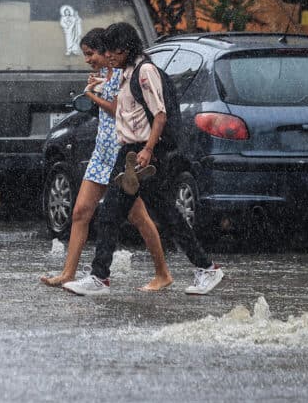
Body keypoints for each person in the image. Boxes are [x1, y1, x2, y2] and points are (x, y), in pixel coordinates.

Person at [63, 22, 224, 296]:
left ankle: (204, 268)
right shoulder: (127, 73)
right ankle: (100, 277)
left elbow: (159, 114)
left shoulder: (145, 71)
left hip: (142, 154)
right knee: (134, 213)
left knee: (138, 213)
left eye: (113, 51)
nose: (108, 56)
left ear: (125, 49)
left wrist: (148, 150)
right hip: (129, 154)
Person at [40, 28, 173, 291]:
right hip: (101, 154)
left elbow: (117, 112)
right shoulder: (104, 75)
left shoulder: (124, 75)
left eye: (92, 54)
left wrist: (92, 97)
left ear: (106, 52)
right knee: (80, 212)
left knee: (138, 217)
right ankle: (68, 273)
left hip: (121, 155)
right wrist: (96, 88)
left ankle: (162, 272)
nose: (89, 60)